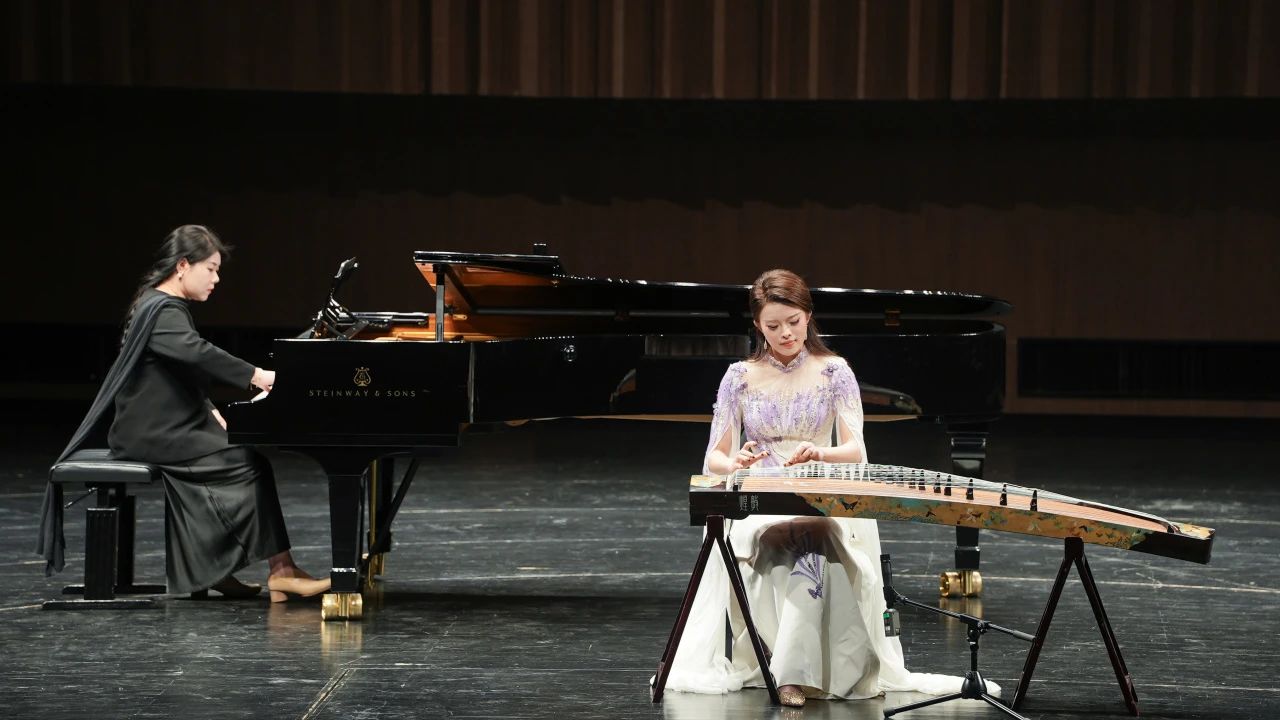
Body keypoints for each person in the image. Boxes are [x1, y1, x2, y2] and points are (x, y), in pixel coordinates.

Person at [662, 269, 994, 707]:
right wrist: (737, 461)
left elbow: (855, 450)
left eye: (793, 322)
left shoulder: (834, 371)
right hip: (759, 497)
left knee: (815, 540)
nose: (785, 333)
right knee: (804, 544)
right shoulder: (739, 376)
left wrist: (820, 453)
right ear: (758, 325)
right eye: (773, 325)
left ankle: (793, 674)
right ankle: (801, 673)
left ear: (808, 316)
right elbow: (715, 459)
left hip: (819, 491)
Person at [38, 225, 328, 602]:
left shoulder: (156, 304)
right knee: (247, 463)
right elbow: (196, 352)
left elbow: (177, 369)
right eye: (211, 269)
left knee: (235, 458)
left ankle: (217, 571)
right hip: (152, 433)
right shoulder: (163, 310)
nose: (216, 278)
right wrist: (257, 375)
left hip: (161, 426)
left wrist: (208, 409)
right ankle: (282, 573)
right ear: (182, 266)